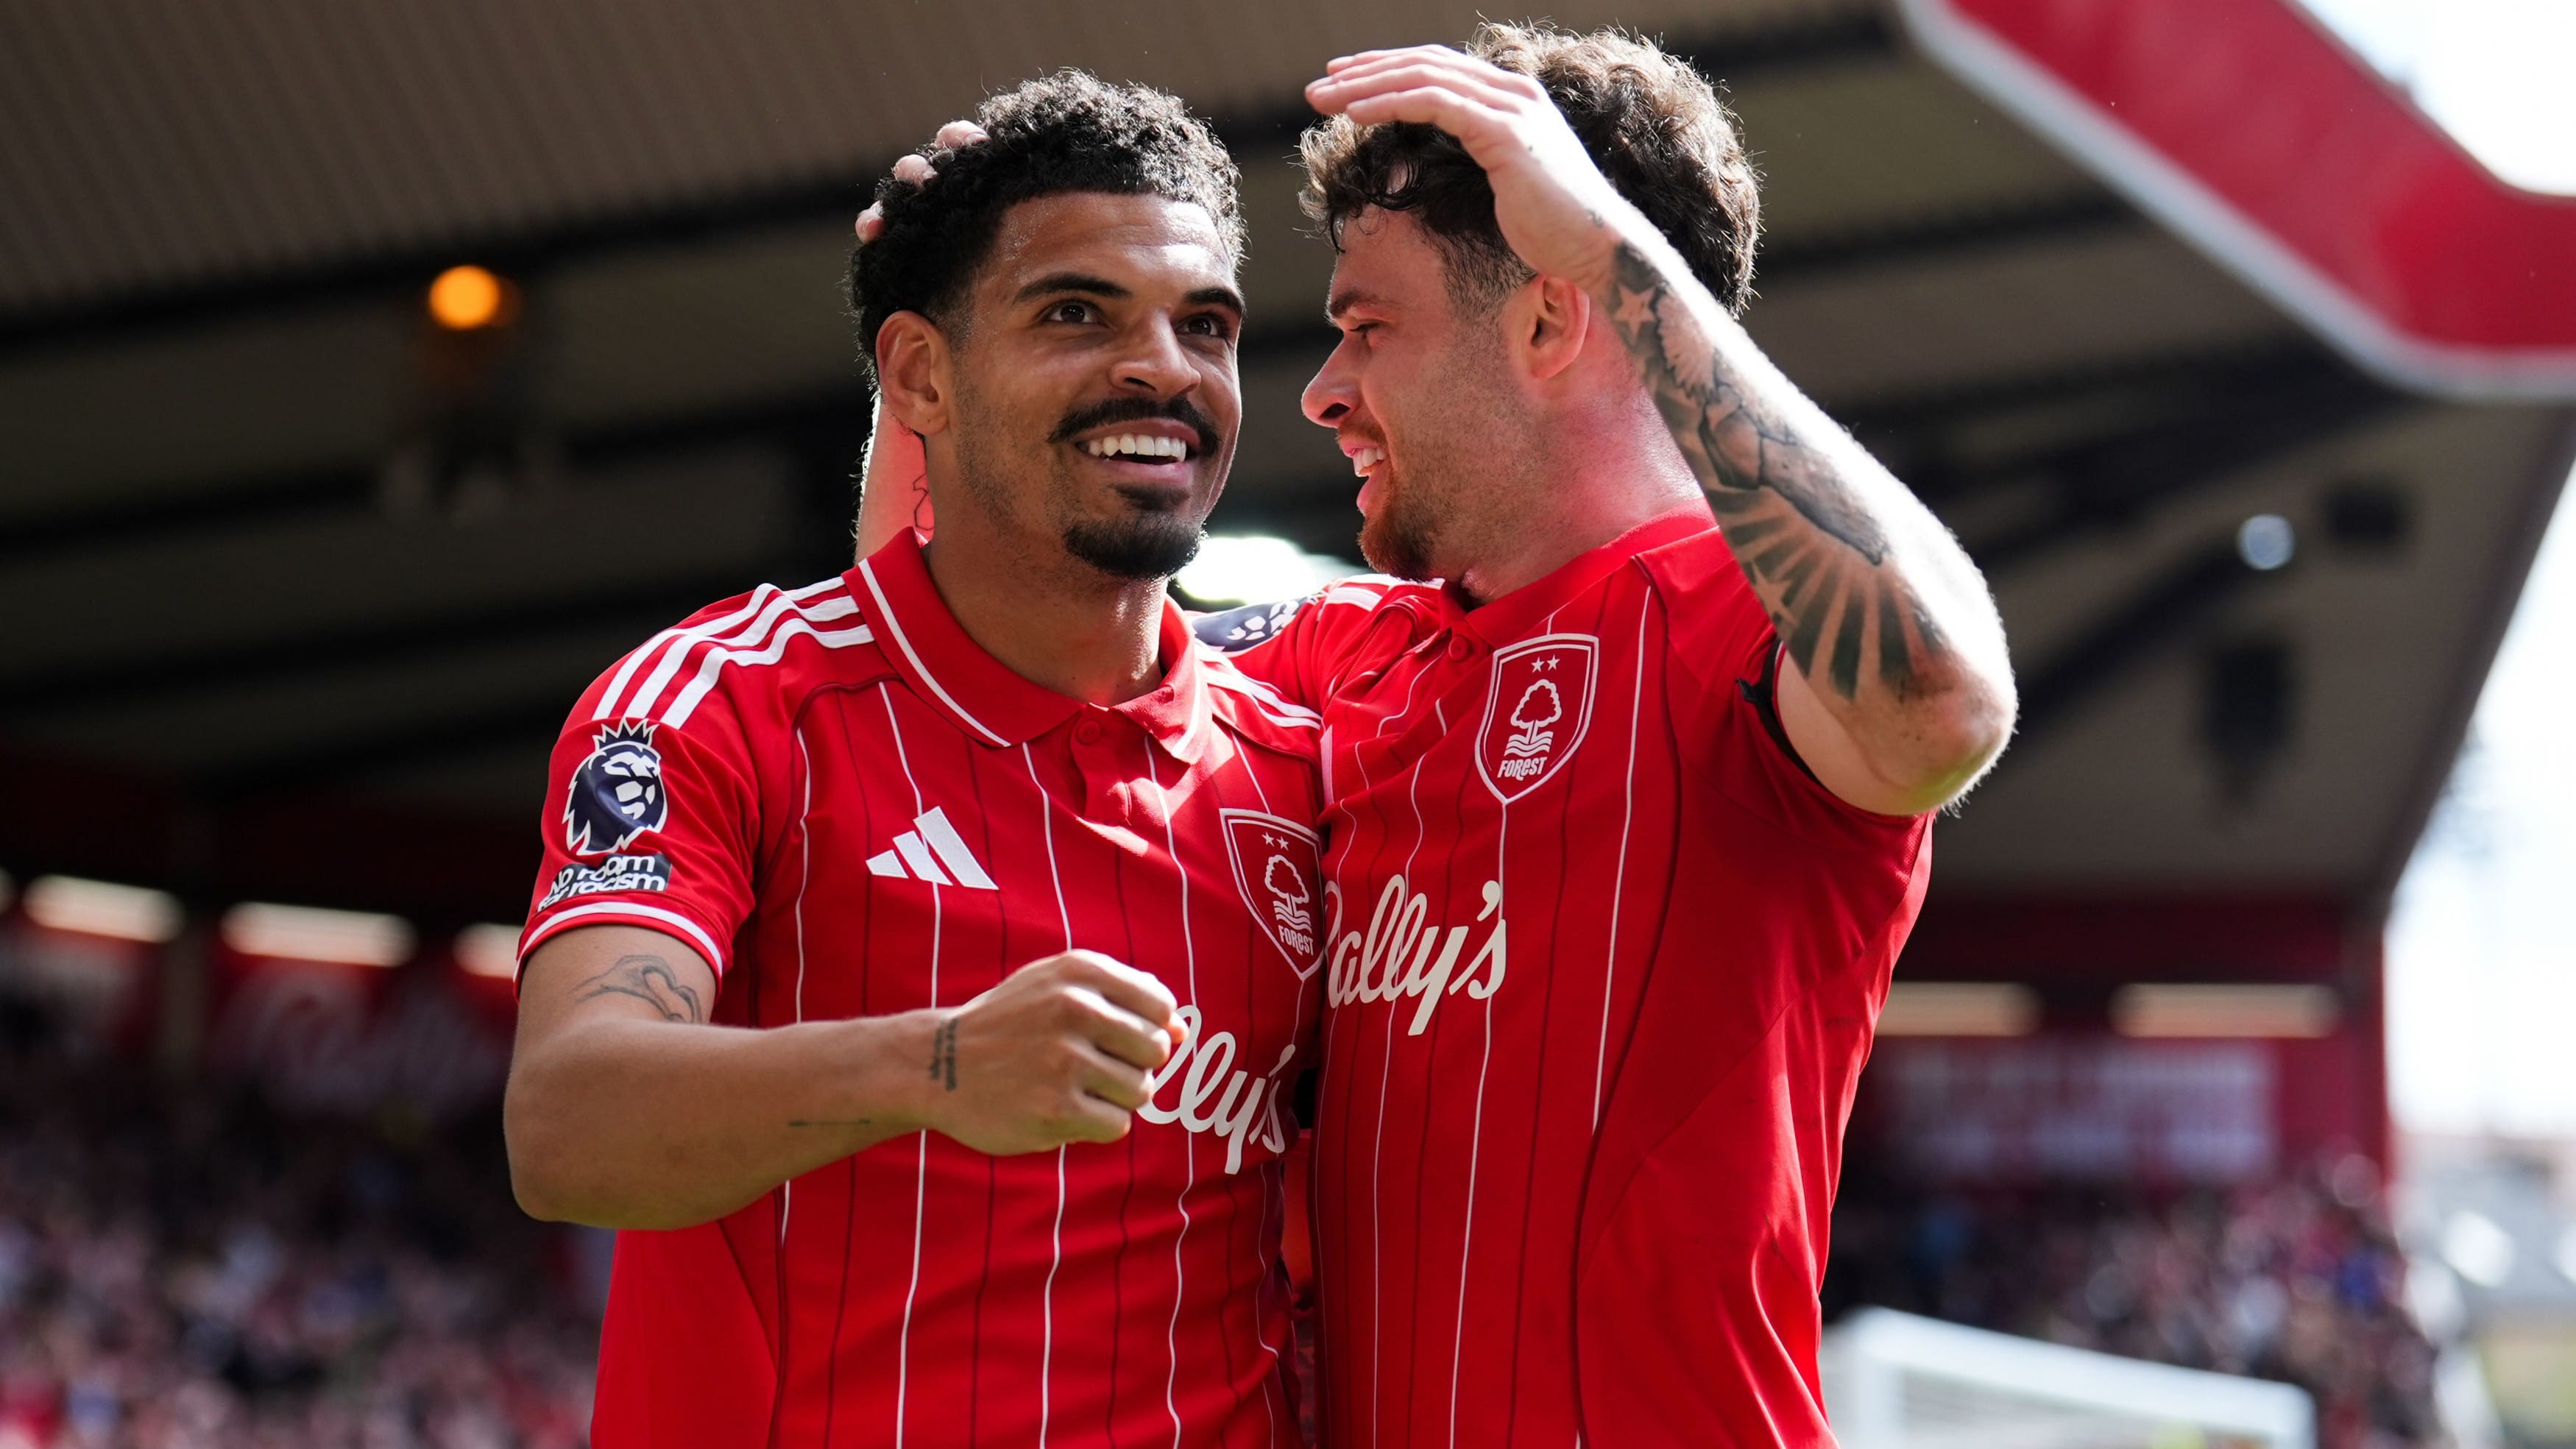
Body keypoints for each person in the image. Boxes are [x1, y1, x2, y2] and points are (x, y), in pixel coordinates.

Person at [857, 24, 2017, 1445]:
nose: (1324, 388)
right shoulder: (1332, 660)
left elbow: (1947, 702)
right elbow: (941, 687)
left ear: (1548, 316)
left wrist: (1606, 245)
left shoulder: (1738, 636)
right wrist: (940, 349)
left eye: (1368, 323)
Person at [503, 73, 1328, 1449]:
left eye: (1207, 325)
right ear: (919, 374)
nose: (1164, 370)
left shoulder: (1302, 763)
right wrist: (940, 1065)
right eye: (1077, 313)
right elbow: (565, 1121)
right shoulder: (724, 703)